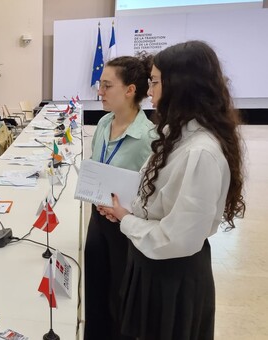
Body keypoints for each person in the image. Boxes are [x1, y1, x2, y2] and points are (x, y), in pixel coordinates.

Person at [99, 41, 246, 340]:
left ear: (180, 85)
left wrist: (127, 221)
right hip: (150, 264)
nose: (149, 90)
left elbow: (177, 239)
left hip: (172, 277)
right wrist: (125, 211)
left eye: (154, 82)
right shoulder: (174, 133)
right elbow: (153, 197)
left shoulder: (201, 152)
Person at [84, 55, 156, 340]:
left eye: (107, 85)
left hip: (124, 228)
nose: (100, 91)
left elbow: (150, 194)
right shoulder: (103, 123)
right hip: (97, 219)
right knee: (94, 290)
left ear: (130, 90)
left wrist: (125, 212)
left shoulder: (148, 137)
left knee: (119, 297)